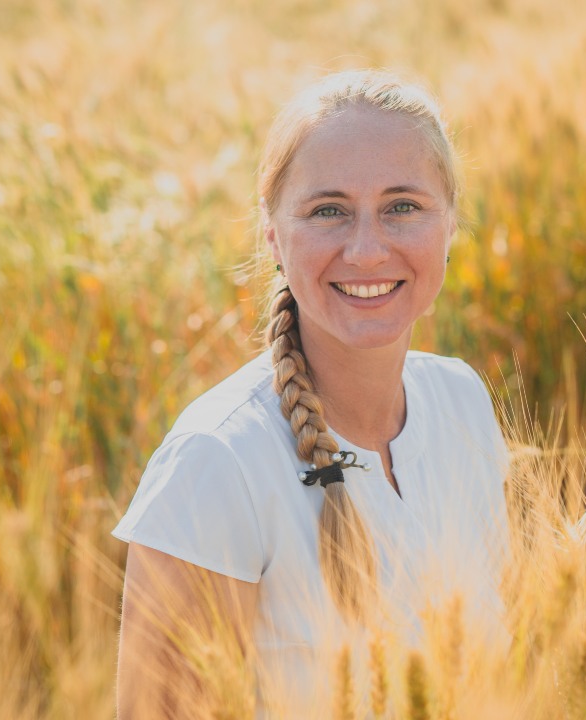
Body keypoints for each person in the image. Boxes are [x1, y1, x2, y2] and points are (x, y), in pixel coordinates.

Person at [113, 69, 511, 718]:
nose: (366, 249)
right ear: (272, 234)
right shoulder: (215, 464)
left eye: (402, 207)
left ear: (452, 224)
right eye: (328, 211)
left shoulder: (462, 402)